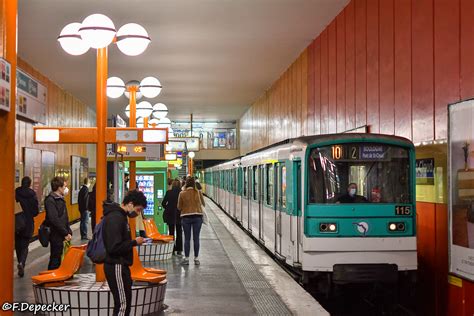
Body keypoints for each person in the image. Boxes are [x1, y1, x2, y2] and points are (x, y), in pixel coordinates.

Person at [103, 189, 146, 316]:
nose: (137, 214)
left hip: (120, 265)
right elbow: (113, 247)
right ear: (130, 204)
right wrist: (134, 242)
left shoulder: (120, 216)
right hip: (116, 265)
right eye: (138, 210)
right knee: (123, 304)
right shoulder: (116, 218)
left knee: (124, 303)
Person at [44, 177, 72, 270]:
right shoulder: (50, 200)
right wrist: (65, 233)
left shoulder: (60, 199)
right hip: (56, 234)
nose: (66, 189)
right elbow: (54, 219)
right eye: (64, 186)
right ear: (59, 188)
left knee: (60, 256)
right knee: (55, 258)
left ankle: (57, 276)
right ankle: (51, 278)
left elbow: (65, 217)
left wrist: (68, 231)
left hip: (62, 233)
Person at [15, 176, 39, 277]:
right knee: (25, 245)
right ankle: (21, 263)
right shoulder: (32, 194)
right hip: (28, 223)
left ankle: (19, 260)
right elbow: (36, 211)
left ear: (21, 183)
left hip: (17, 222)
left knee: (18, 244)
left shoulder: (16, 192)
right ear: (29, 184)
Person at [178, 177, 205, 265]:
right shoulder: (198, 192)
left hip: (186, 218)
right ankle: (196, 259)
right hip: (197, 217)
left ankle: (186, 259)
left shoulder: (182, 193)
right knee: (196, 238)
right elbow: (203, 204)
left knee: (187, 238)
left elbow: (179, 207)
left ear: (186, 183)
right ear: (194, 184)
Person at [162, 179, 183, 255]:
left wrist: (168, 208)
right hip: (180, 214)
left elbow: (163, 203)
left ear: (173, 185)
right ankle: (179, 249)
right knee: (179, 231)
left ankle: (172, 249)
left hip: (170, 214)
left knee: (171, 232)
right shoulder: (182, 193)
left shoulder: (169, 192)